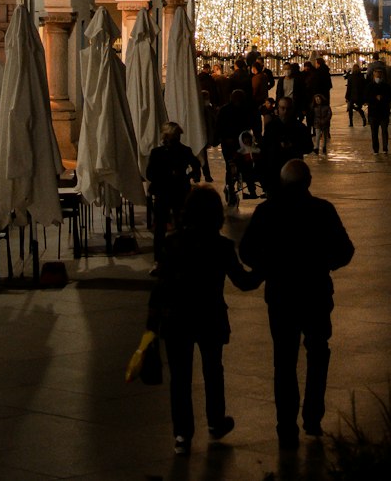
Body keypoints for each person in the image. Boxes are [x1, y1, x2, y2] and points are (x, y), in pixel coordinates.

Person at [239, 159, 355, 448]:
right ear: (308, 182)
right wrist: (323, 263)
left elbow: (247, 250)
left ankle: (286, 425)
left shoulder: (267, 212)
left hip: (281, 295)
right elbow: (344, 250)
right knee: (317, 353)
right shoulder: (323, 211)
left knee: (284, 360)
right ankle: (313, 416)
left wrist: (269, 265)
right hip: (315, 292)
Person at [147, 184, 262, 455]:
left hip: (177, 317)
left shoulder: (171, 243)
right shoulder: (221, 246)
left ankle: (182, 435)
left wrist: (150, 327)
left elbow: (160, 288)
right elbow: (243, 281)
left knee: (180, 378)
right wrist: (265, 268)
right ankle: (216, 421)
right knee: (213, 370)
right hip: (209, 315)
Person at [145, 122, 202, 269]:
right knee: (172, 225)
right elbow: (150, 174)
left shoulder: (160, 152)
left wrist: (187, 175)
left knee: (167, 226)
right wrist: (186, 175)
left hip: (170, 191)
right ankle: (170, 257)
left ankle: (163, 258)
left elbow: (150, 174)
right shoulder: (181, 151)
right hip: (173, 190)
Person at [259, 96, 313, 194]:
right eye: (282, 108)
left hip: (293, 174)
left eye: (288, 109)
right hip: (274, 173)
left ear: (292, 110)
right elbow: (264, 150)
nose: (285, 111)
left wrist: (293, 146)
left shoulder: (300, 128)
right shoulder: (271, 127)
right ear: (278, 109)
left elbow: (309, 147)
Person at [364, 64, 391, 154]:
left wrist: (382, 97)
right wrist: (375, 97)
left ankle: (385, 148)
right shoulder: (370, 86)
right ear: (373, 74)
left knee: (384, 131)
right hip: (373, 112)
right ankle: (375, 149)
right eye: (376, 72)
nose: (378, 74)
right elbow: (366, 98)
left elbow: (390, 97)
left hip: (383, 112)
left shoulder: (386, 86)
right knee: (374, 132)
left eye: (380, 73)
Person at [344, 62, 367, 127]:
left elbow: (349, 88)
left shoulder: (351, 77)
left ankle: (351, 122)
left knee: (350, 108)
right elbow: (364, 87)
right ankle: (363, 118)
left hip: (352, 96)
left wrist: (347, 96)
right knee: (359, 108)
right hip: (360, 96)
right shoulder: (362, 77)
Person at [310, 91, 332, 156]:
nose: (318, 100)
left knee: (325, 136)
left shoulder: (326, 107)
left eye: (319, 99)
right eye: (316, 99)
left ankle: (324, 146)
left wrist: (326, 120)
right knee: (317, 136)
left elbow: (329, 114)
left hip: (325, 124)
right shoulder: (314, 108)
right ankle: (316, 147)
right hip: (317, 124)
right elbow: (312, 116)